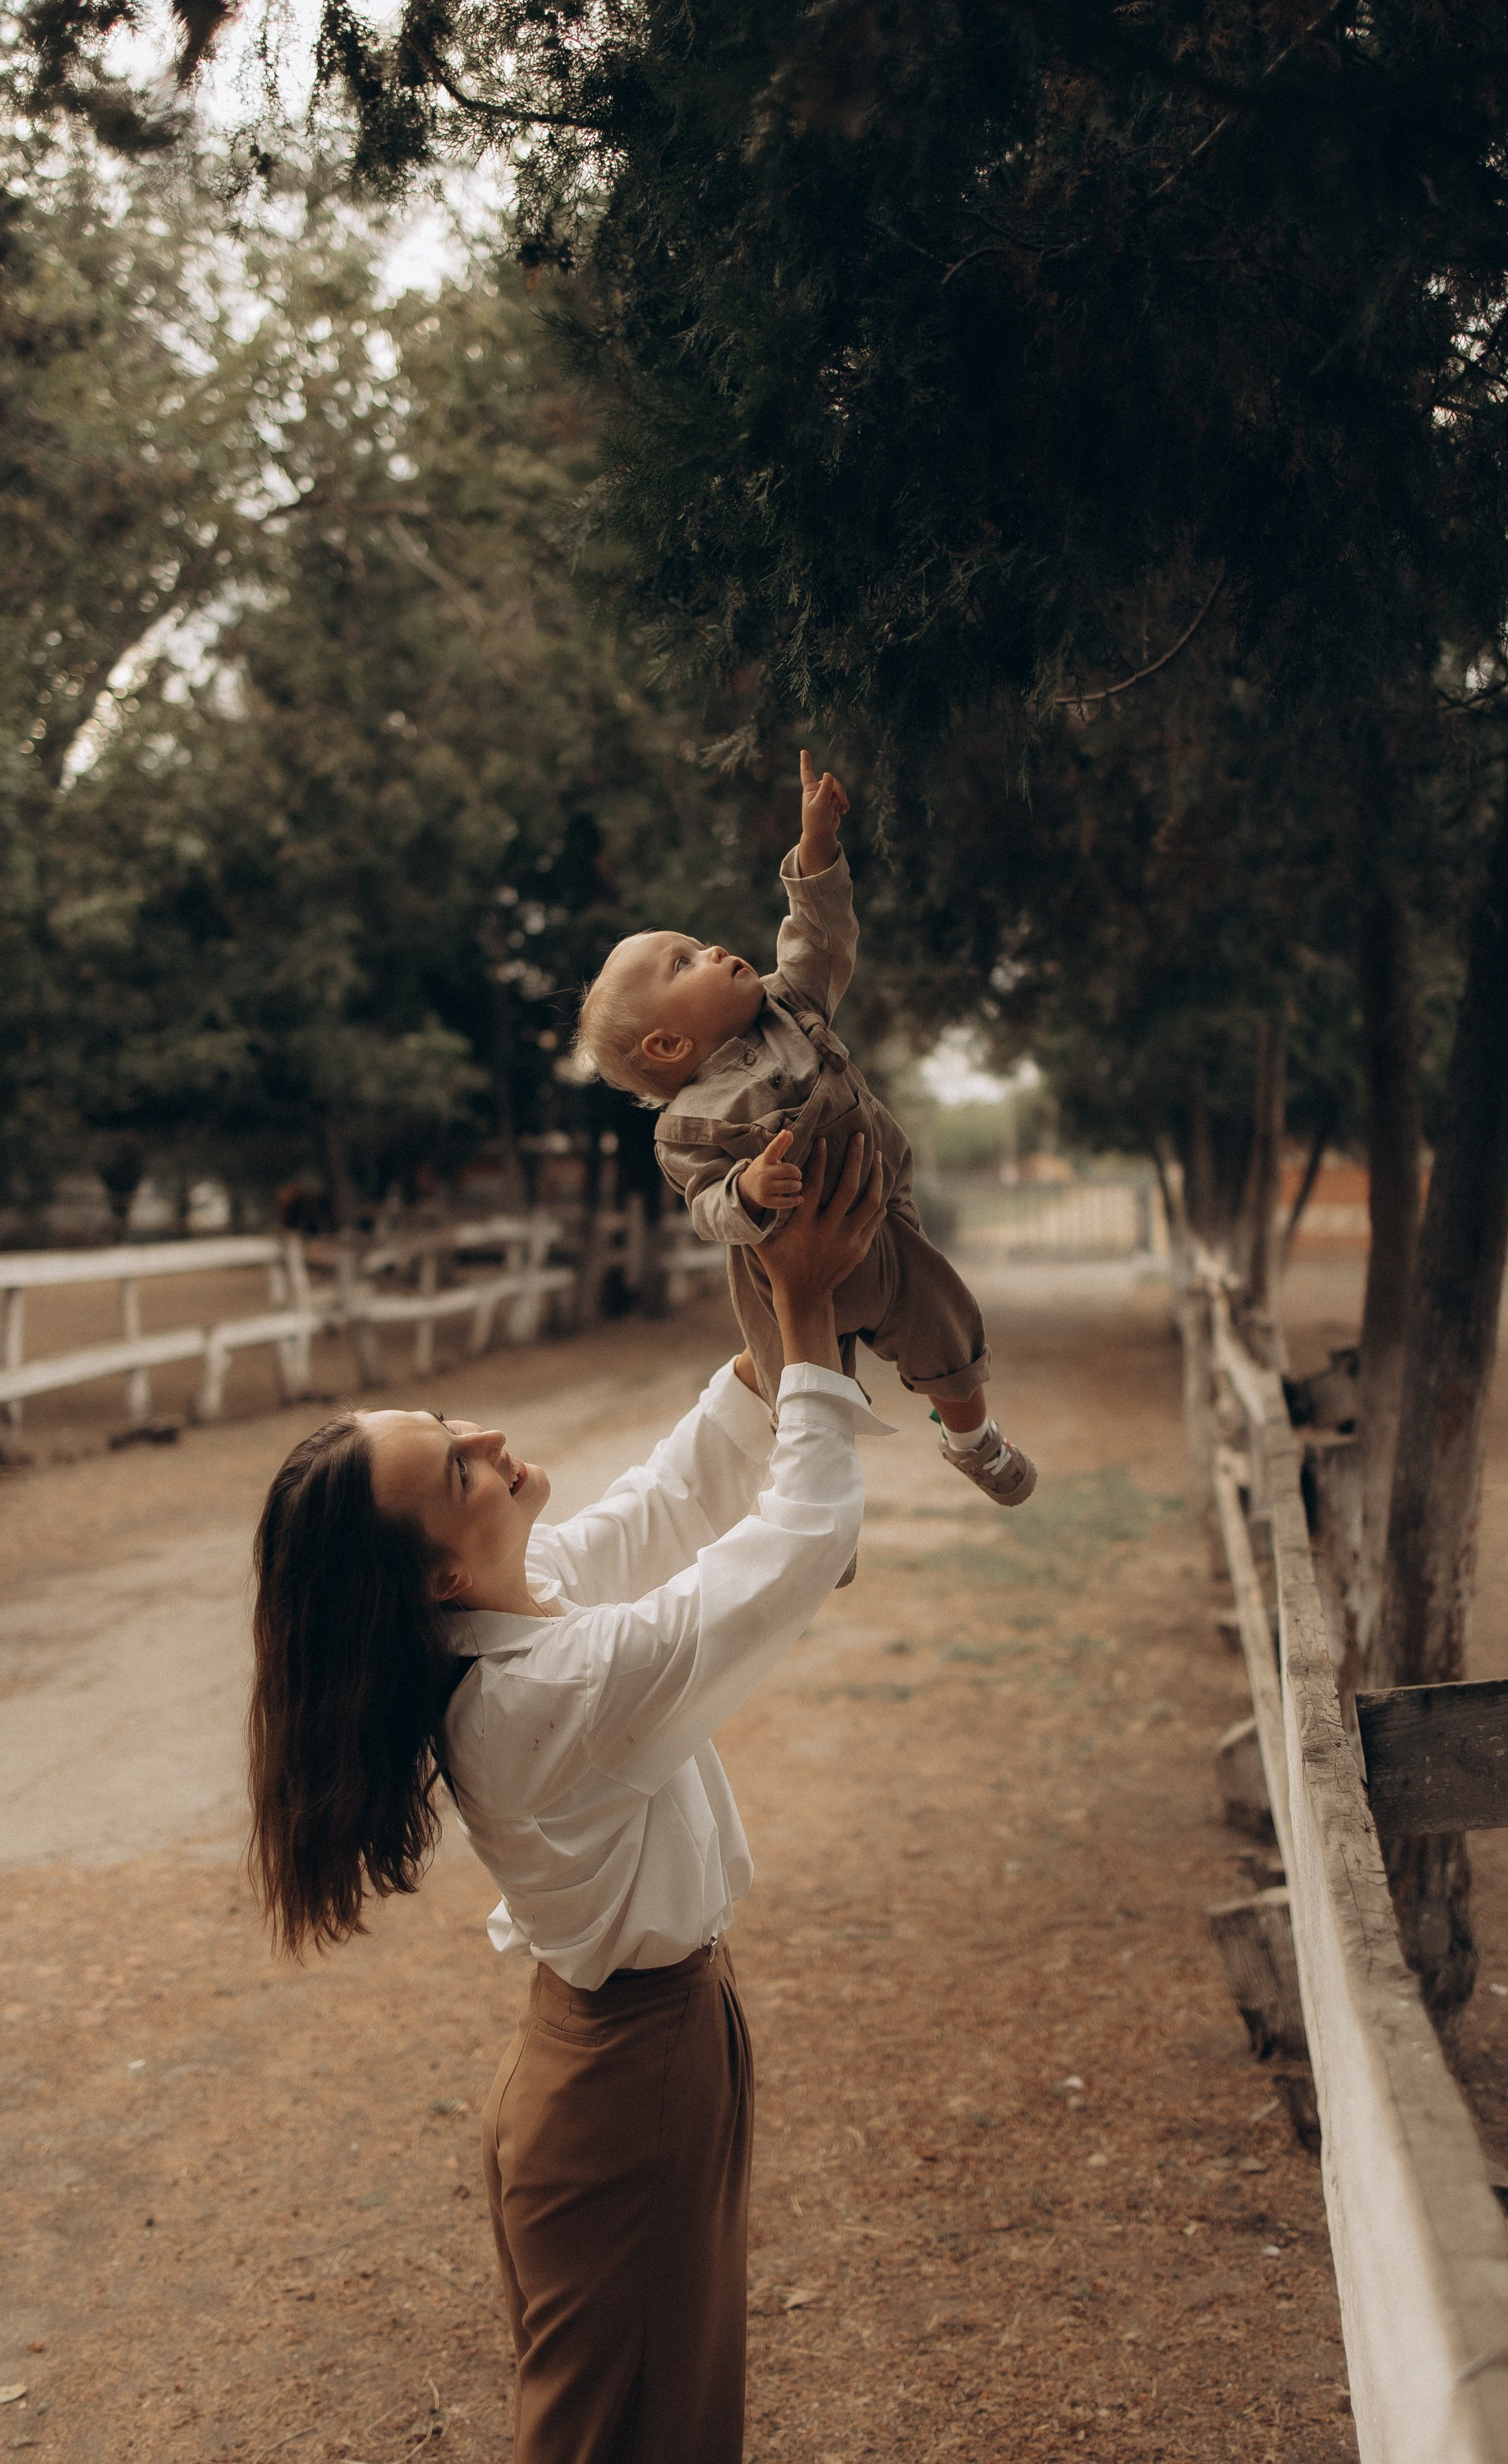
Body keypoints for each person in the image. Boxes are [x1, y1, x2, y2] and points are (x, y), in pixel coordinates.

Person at [246, 1134, 890, 2464]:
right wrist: (812, 1315)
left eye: (453, 1424)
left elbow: (672, 1501)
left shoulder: (513, 1623)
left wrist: (771, 1293)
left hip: (628, 2057)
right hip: (628, 2081)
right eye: (458, 1468)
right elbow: (792, 1548)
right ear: (434, 1574)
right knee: (609, 2439)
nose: (489, 1440)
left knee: (651, 2422)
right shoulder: (544, 1698)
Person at [575, 749, 1037, 1508]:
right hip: (780, 1275)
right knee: (799, 1396)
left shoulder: (789, 1004)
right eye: (683, 963)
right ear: (667, 1047)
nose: (714, 949)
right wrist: (748, 1190)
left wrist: (816, 846)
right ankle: (810, 1510)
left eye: (696, 941)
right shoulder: (686, 1127)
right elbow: (707, 1206)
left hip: (881, 1225)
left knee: (944, 1322)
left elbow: (818, 933)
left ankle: (974, 1441)